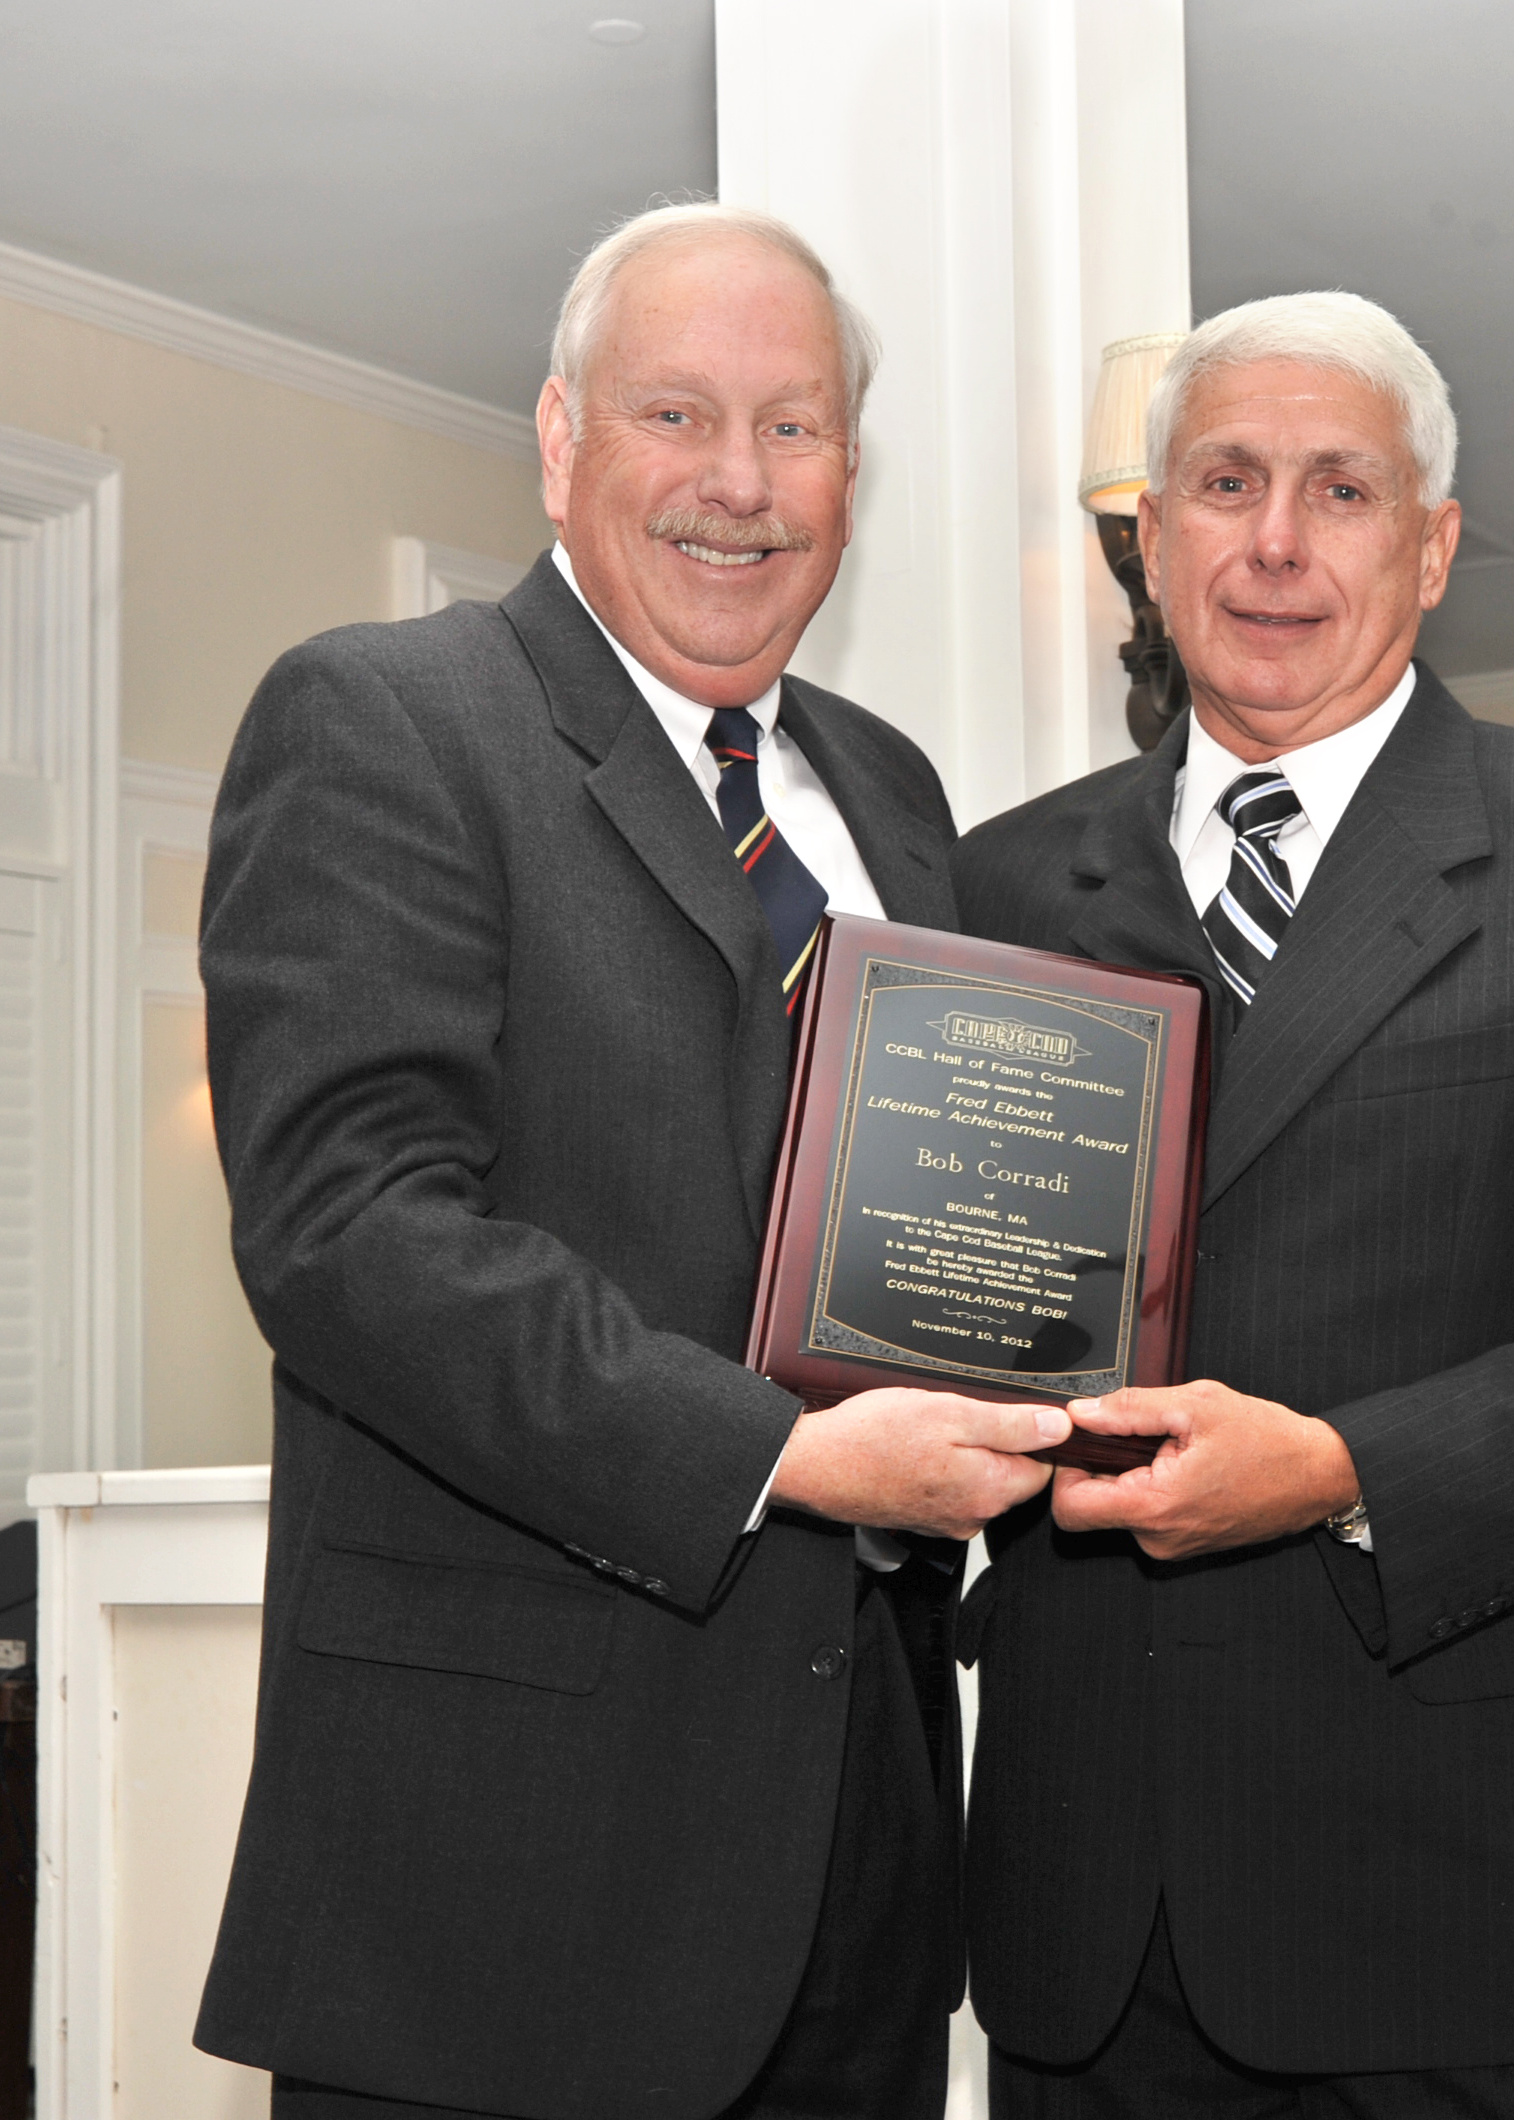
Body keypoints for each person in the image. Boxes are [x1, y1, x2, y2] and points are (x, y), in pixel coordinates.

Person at [191, 203, 1070, 2120]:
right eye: (676, 415)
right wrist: (780, 1453)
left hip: (860, 1863)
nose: (739, 485)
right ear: (559, 435)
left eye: (797, 427)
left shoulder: (891, 792)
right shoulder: (386, 719)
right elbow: (349, 1232)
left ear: (851, 469)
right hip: (502, 1881)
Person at [953, 291, 1514, 2117]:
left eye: (1339, 491)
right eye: (1223, 482)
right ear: (1148, 540)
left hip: (1469, 1922)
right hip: (1088, 1937)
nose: (1272, 542)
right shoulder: (999, 882)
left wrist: (1342, 1468)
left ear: (1427, 552)